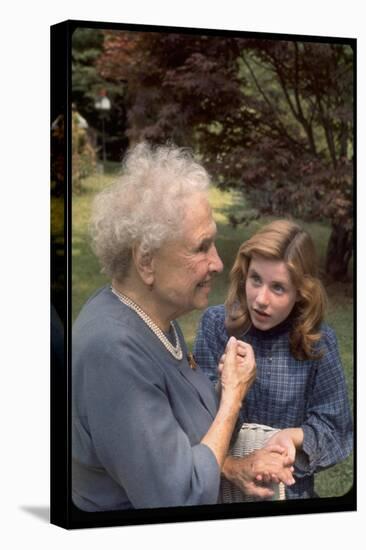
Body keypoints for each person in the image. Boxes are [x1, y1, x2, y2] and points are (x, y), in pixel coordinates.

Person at [72, 143, 295, 512]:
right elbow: (178, 497)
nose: (218, 263)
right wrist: (233, 396)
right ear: (146, 260)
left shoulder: (156, 319)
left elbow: (169, 441)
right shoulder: (112, 351)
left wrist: (228, 465)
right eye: (202, 247)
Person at [194, 219, 353, 499]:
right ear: (245, 274)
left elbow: (336, 429)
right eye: (256, 279)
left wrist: (293, 437)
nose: (260, 300)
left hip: (287, 493)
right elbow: (193, 419)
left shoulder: (317, 342)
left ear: (301, 292)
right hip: (222, 489)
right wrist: (225, 388)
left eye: (278, 288)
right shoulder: (217, 326)